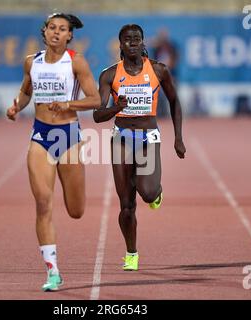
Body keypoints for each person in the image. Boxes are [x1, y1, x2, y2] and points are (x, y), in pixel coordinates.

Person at [6, 13, 101, 291]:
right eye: (52, 28)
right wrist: (16, 108)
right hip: (40, 135)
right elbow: (26, 91)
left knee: (76, 210)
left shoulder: (76, 61)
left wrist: (69, 104)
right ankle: (52, 271)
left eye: (62, 29)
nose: (56, 33)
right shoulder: (31, 62)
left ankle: (55, 264)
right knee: (43, 203)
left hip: (68, 136)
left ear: (70, 35)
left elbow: (95, 100)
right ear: (44, 32)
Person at [93, 24, 185, 271]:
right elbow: (97, 115)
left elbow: (175, 101)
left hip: (147, 139)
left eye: (137, 38)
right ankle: (131, 253)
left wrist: (178, 137)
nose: (133, 42)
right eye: (127, 39)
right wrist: (116, 107)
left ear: (144, 42)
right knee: (126, 205)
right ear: (120, 44)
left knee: (147, 193)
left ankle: (155, 192)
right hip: (121, 139)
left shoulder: (158, 70)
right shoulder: (109, 75)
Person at [150, 28, 180, 118]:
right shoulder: (156, 48)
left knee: (172, 95)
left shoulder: (171, 46)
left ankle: (174, 113)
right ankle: (160, 113)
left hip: (171, 75)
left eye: (164, 36)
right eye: (161, 36)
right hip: (159, 75)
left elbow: (175, 60)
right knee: (158, 95)